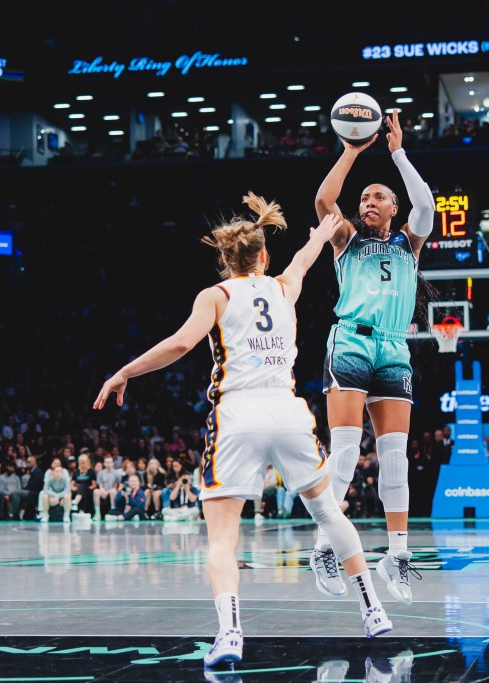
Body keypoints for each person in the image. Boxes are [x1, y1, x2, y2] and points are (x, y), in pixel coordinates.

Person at [93, 195, 392, 669]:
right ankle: (373, 610)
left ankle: (230, 633)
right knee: (329, 514)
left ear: (224, 258)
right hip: (287, 412)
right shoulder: (283, 285)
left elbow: (181, 343)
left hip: (237, 417)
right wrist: (323, 225)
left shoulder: (215, 295)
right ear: (263, 256)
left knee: (222, 539)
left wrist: (125, 371)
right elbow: (307, 254)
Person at [311, 108, 436, 604]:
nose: (367, 201)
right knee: (343, 454)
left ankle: (397, 556)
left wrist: (397, 153)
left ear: (393, 208)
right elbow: (324, 199)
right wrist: (351, 151)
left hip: (393, 347)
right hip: (352, 341)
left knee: (394, 460)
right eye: (363, 197)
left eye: (377, 197)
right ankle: (324, 546)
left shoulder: (410, 242)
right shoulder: (346, 240)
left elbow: (424, 204)